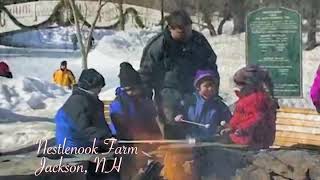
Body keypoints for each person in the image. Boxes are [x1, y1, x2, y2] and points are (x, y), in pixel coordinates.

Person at [139, 10, 219, 139]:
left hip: (195, 93)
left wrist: (213, 90)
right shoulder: (159, 45)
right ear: (170, 28)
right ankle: (175, 156)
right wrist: (145, 100)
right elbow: (146, 73)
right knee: (174, 127)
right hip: (168, 95)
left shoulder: (198, 41)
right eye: (182, 32)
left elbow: (211, 67)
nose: (187, 35)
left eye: (189, 30)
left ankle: (200, 156)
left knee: (198, 127)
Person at [110, 62, 162, 180]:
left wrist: (157, 139)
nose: (132, 93)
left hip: (147, 145)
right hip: (128, 147)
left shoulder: (145, 100)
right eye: (128, 90)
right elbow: (118, 127)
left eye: (134, 89)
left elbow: (153, 121)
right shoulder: (119, 104)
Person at [221, 65, 278, 149]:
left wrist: (241, 129)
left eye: (240, 85)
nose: (237, 88)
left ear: (251, 85)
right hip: (244, 137)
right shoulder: (246, 99)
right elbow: (240, 117)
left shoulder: (257, 99)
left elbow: (257, 118)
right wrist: (231, 127)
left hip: (254, 139)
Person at [55, 68, 113, 149]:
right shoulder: (77, 102)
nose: (100, 90)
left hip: (87, 143)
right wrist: (105, 136)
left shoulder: (91, 100)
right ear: (90, 86)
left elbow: (99, 123)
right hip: (72, 145)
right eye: (98, 87)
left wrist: (109, 134)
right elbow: (83, 128)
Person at [175, 70, 232, 141]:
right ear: (198, 87)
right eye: (206, 86)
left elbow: (229, 120)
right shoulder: (189, 100)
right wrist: (178, 116)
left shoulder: (218, 104)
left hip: (212, 140)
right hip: (191, 139)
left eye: (212, 85)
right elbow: (179, 111)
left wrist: (225, 128)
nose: (210, 88)